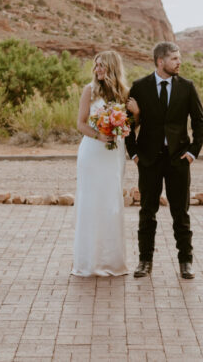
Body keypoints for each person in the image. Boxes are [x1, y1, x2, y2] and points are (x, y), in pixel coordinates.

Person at [126, 41, 203, 279]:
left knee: (181, 213)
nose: (179, 62)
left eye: (179, 58)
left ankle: (186, 262)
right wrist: (135, 154)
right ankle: (144, 261)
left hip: (178, 160)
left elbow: (199, 122)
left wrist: (192, 153)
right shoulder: (140, 87)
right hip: (148, 160)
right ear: (160, 61)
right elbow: (127, 123)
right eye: (174, 59)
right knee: (147, 213)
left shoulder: (187, 87)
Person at [71, 50, 131, 277]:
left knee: (111, 202)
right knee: (90, 202)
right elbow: (81, 123)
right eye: (96, 66)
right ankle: (87, 262)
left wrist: (131, 118)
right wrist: (99, 136)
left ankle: (112, 261)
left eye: (102, 66)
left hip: (114, 154)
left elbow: (129, 126)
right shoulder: (89, 91)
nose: (97, 70)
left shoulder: (124, 93)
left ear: (112, 67)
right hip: (93, 152)